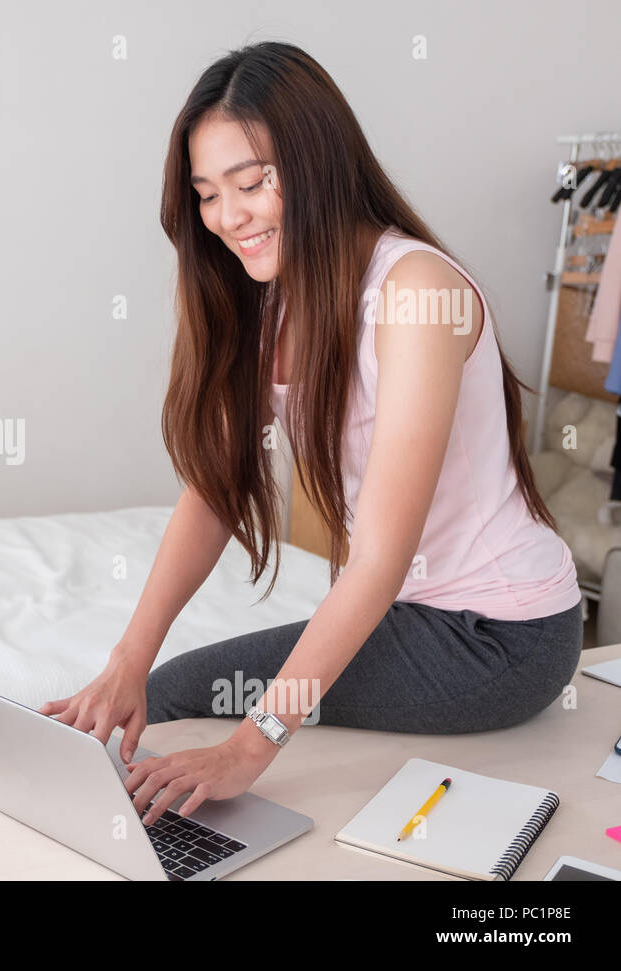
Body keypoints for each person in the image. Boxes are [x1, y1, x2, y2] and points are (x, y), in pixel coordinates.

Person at [39, 41, 582, 828]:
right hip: (417, 613)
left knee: (193, 699)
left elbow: (382, 560)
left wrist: (249, 749)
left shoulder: (415, 292)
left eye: (253, 183)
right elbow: (217, 491)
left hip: (499, 638)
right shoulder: (278, 300)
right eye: (207, 195)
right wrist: (126, 660)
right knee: (155, 689)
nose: (229, 218)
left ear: (318, 162)